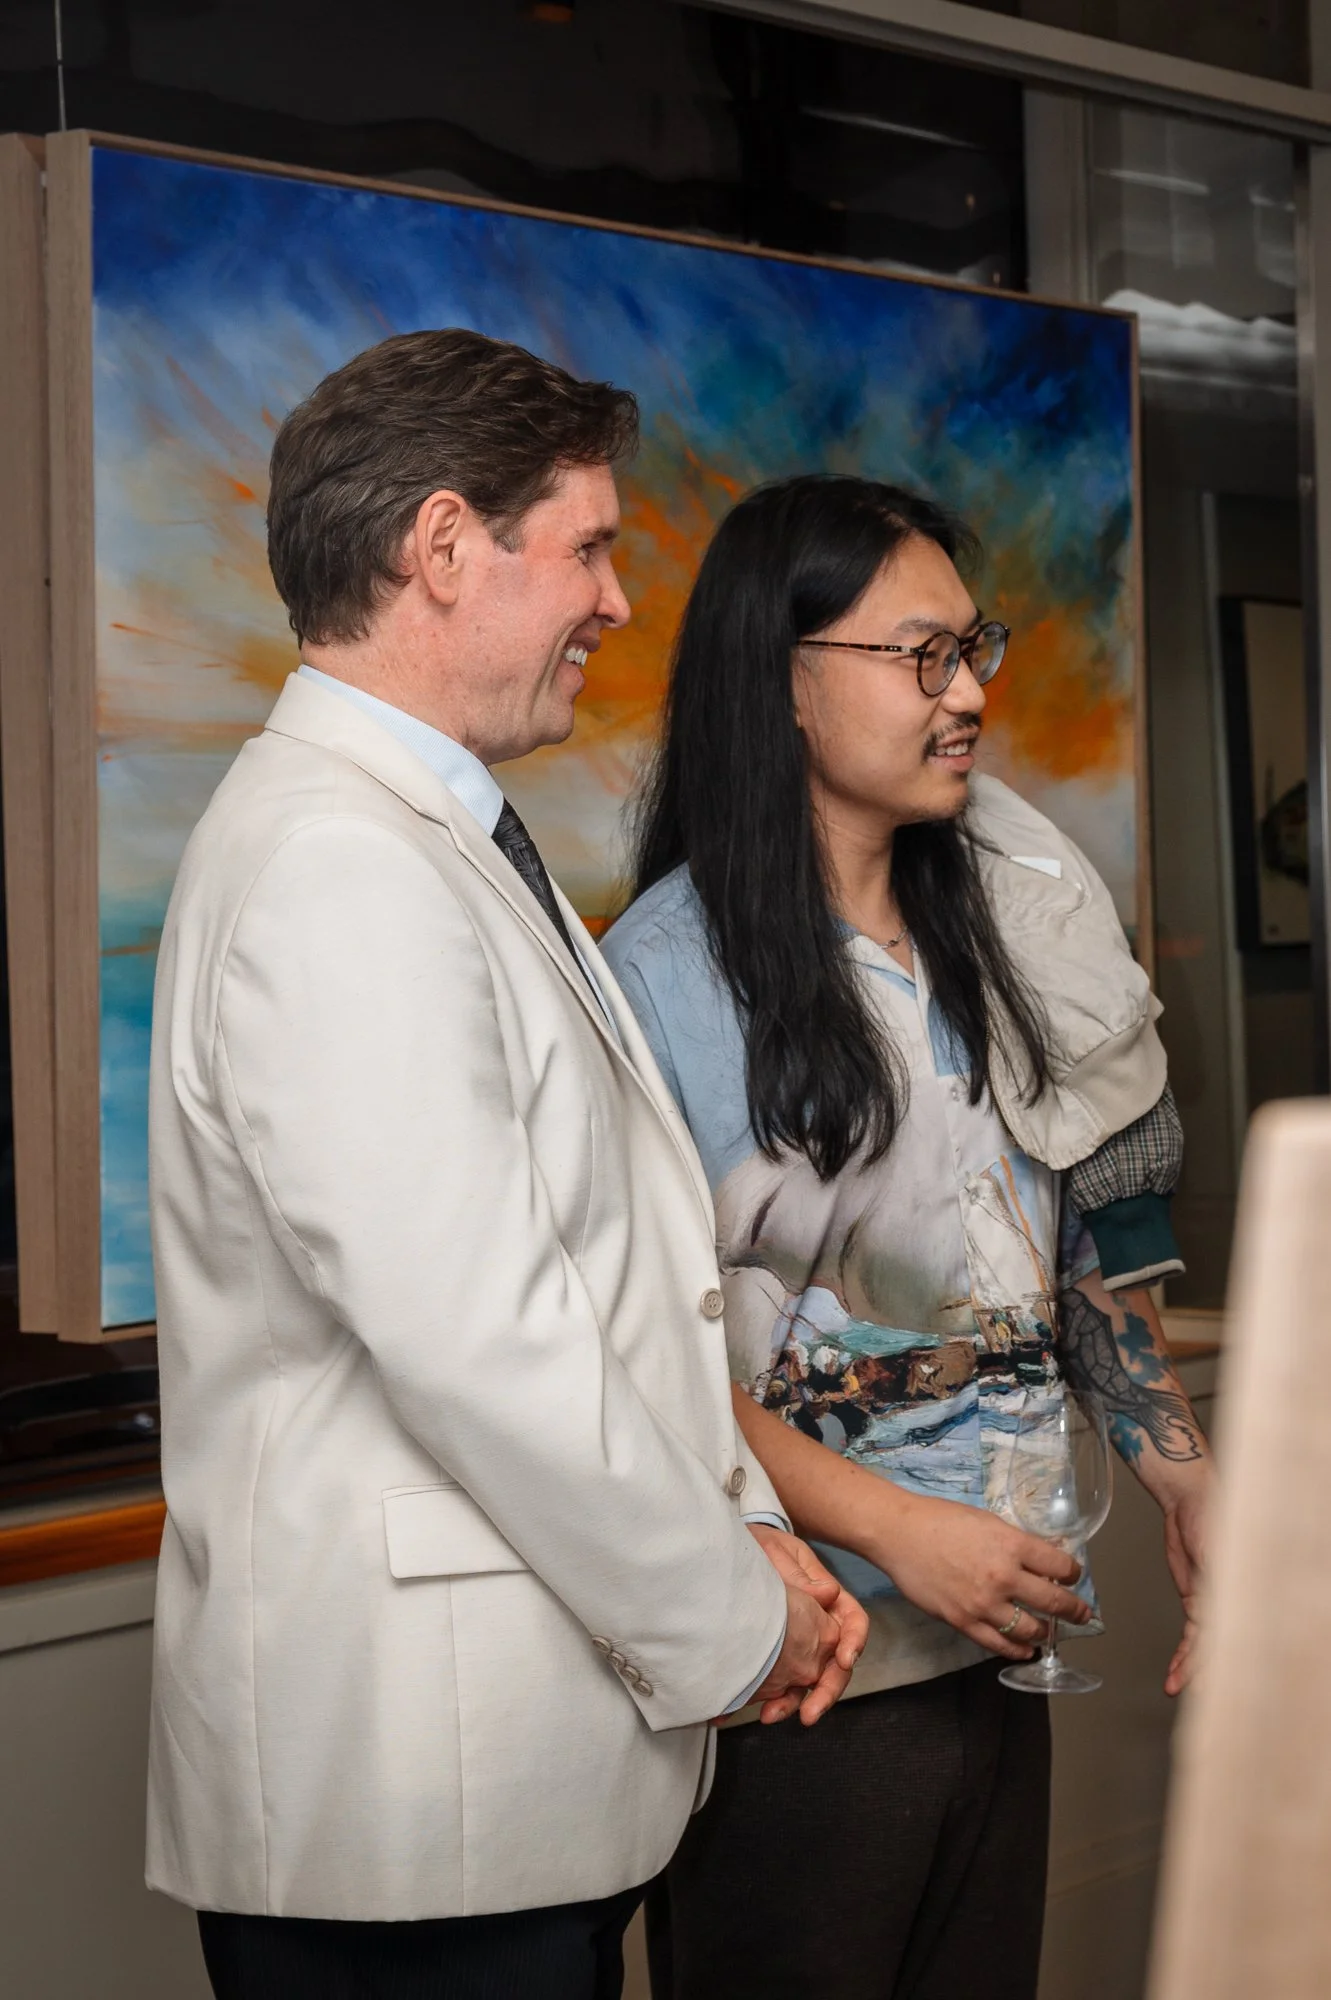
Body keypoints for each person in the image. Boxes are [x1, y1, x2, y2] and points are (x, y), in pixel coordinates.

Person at [145, 332, 866, 2000]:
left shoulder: (412, 837)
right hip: (417, 1802)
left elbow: (598, 1288)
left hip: (474, 1784)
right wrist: (729, 1614)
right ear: (446, 545)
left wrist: (742, 1531)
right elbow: (487, 1336)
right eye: (594, 546)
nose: (620, 601)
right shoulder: (338, 861)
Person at [602, 473, 1212, 2000]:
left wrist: (1183, 1474)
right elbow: (631, 1362)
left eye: (976, 647)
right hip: (796, 1684)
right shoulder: (657, 986)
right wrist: (892, 1532)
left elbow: (1053, 1249)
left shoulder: (993, 934)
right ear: (784, 684)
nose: (973, 695)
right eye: (921, 657)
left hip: (996, 1648)